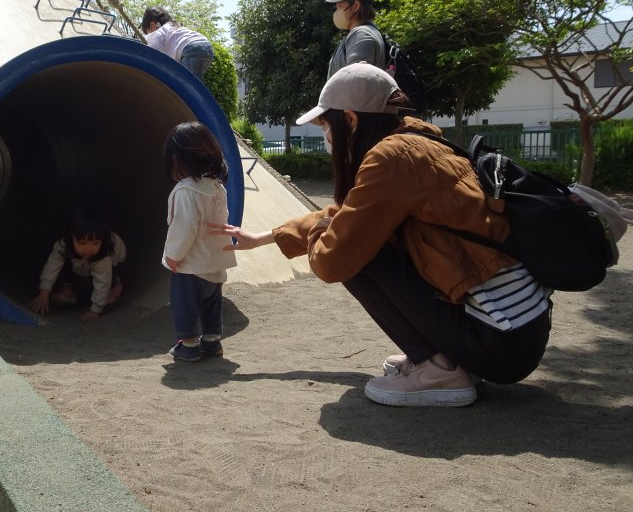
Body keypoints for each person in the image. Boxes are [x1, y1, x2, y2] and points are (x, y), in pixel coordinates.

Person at [211, 62, 553, 407]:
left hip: (498, 342)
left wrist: (322, 236)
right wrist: (267, 236)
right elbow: (347, 213)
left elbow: (333, 261)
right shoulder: (420, 143)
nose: (326, 136)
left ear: (350, 119)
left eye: (326, 125)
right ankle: (444, 358)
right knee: (358, 236)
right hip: (517, 331)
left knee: (356, 253)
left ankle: (440, 370)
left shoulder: (393, 158)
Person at [162, 121, 237, 362]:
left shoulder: (186, 190)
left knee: (184, 303)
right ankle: (212, 342)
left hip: (191, 264)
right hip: (215, 260)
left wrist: (173, 256)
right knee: (211, 302)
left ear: (177, 159)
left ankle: (188, 345)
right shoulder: (217, 187)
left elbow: (183, 227)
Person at [29, 206, 126, 322]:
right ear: (71, 237)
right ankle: (67, 289)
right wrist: (43, 294)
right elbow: (53, 265)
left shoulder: (104, 255)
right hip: (79, 260)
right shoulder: (64, 244)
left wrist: (95, 310)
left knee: (100, 281)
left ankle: (115, 286)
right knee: (66, 263)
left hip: (115, 262)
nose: (88, 249)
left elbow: (103, 282)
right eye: (82, 243)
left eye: (95, 243)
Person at [325, 0, 386, 79]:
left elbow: (358, 82)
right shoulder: (367, 32)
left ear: (355, 6)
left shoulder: (361, 35)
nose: (336, 11)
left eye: (339, 6)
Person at [141, 7, 214, 81]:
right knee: (194, 81)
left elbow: (152, 52)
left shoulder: (159, 32)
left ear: (153, 25)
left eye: (148, 32)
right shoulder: (174, 27)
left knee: (187, 82)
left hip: (191, 49)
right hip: (206, 47)